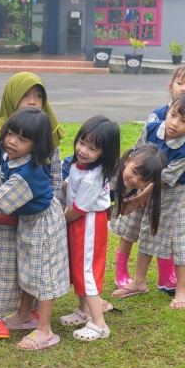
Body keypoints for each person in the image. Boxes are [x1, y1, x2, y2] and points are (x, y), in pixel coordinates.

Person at [0, 72, 63, 339]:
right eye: (25, 95)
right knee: (19, 266)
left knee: (42, 271)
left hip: (41, 221)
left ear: (36, 144)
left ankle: (44, 329)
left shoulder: (30, 168)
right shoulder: (6, 146)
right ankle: (21, 315)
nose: (32, 101)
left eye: (38, 96)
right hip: (22, 216)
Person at [113, 64, 185, 293]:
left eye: (183, 122)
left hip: (171, 192)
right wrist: (132, 187)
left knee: (161, 232)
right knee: (138, 228)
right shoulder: (153, 126)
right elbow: (139, 151)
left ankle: (166, 280)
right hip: (144, 183)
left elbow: (160, 180)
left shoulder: (184, 152)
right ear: (168, 109)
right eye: (173, 115)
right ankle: (137, 281)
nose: (174, 123)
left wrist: (138, 198)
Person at [60, 116, 120, 339]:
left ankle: (99, 324)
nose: (83, 150)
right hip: (79, 221)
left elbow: (78, 209)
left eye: (92, 148)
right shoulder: (79, 165)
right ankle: (85, 311)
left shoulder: (92, 177)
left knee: (87, 272)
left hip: (88, 223)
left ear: (104, 152)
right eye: (82, 143)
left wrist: (58, 222)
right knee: (78, 268)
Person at [109, 144, 166, 298]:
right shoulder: (110, 177)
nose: (135, 180)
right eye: (134, 172)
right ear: (128, 160)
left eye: (143, 180)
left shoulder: (131, 185)